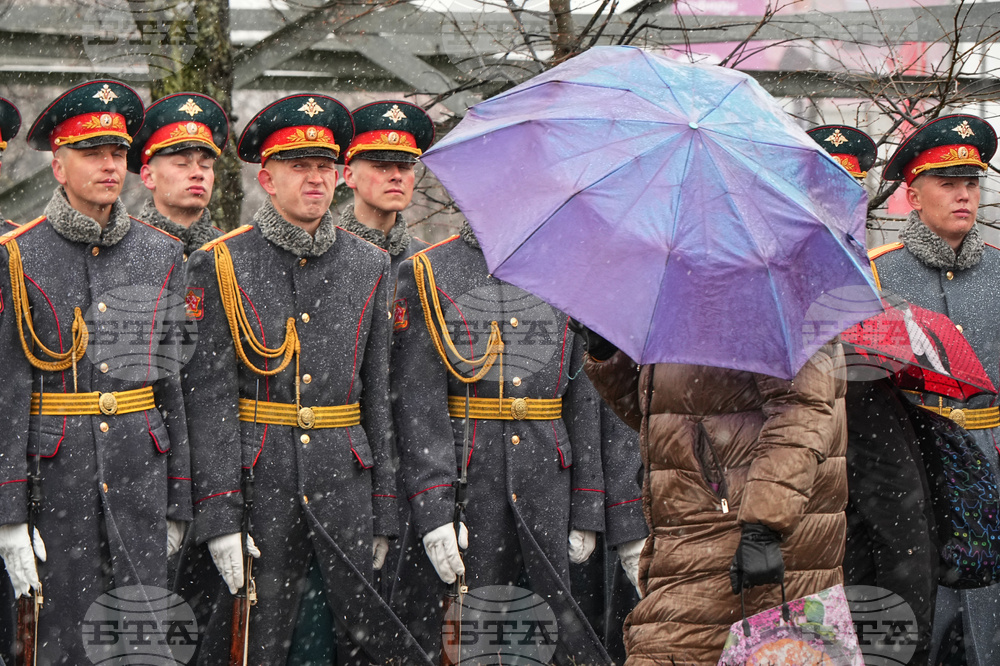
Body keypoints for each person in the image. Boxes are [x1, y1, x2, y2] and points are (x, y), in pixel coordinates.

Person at [180, 93, 426, 665]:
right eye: (298, 167)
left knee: (347, 642)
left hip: (346, 486)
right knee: (258, 642)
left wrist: (385, 507)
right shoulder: (221, 263)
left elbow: (379, 399)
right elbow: (210, 401)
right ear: (266, 179)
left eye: (323, 167)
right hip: (258, 487)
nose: (314, 179)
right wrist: (219, 512)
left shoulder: (370, 266)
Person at [0, 80, 190, 663]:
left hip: (140, 470)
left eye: (117, 153)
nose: (109, 165)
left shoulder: (161, 254)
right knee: (60, 643)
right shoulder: (17, 255)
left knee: (142, 640)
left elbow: (171, 386)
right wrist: (8, 516)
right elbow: (8, 392)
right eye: (91, 153)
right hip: (54, 479)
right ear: (58, 166)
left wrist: (179, 497)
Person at [390, 221, 612, 663]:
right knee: (469, 640)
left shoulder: (572, 270)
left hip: (550, 484)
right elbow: (418, 403)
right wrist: (435, 509)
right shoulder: (427, 272)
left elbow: (585, 398)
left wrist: (588, 502)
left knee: (554, 640)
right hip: (469, 486)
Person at [583, 331, 848, 664]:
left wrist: (764, 524)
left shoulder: (772, 289)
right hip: (693, 529)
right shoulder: (690, 305)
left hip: (744, 532)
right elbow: (667, 422)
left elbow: (802, 413)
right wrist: (610, 357)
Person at [807, 124, 940, 662]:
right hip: (798, 493)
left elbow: (901, 529)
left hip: (869, 455)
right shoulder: (761, 280)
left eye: (848, 192)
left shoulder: (876, 283)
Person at [873, 113, 1000, 666]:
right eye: (947, 184)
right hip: (912, 472)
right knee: (919, 628)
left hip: (994, 467)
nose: (964, 196)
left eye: (971, 184)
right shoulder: (876, 276)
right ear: (913, 195)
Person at [339, 100, 433, 278]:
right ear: (350, 176)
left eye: (405, 167)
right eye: (382, 166)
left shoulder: (429, 264)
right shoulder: (321, 261)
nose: (397, 175)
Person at [128, 92, 228, 256]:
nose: (198, 173)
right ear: (148, 176)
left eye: (205, 165)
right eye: (182, 164)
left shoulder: (233, 253)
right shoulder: (124, 251)